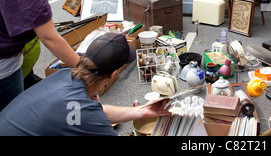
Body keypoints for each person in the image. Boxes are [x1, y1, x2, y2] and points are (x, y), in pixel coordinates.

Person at [0, 33, 171, 135]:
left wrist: (141, 111)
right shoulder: (83, 110)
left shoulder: (64, 76)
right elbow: (89, 114)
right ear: (113, 74)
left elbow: (89, 113)